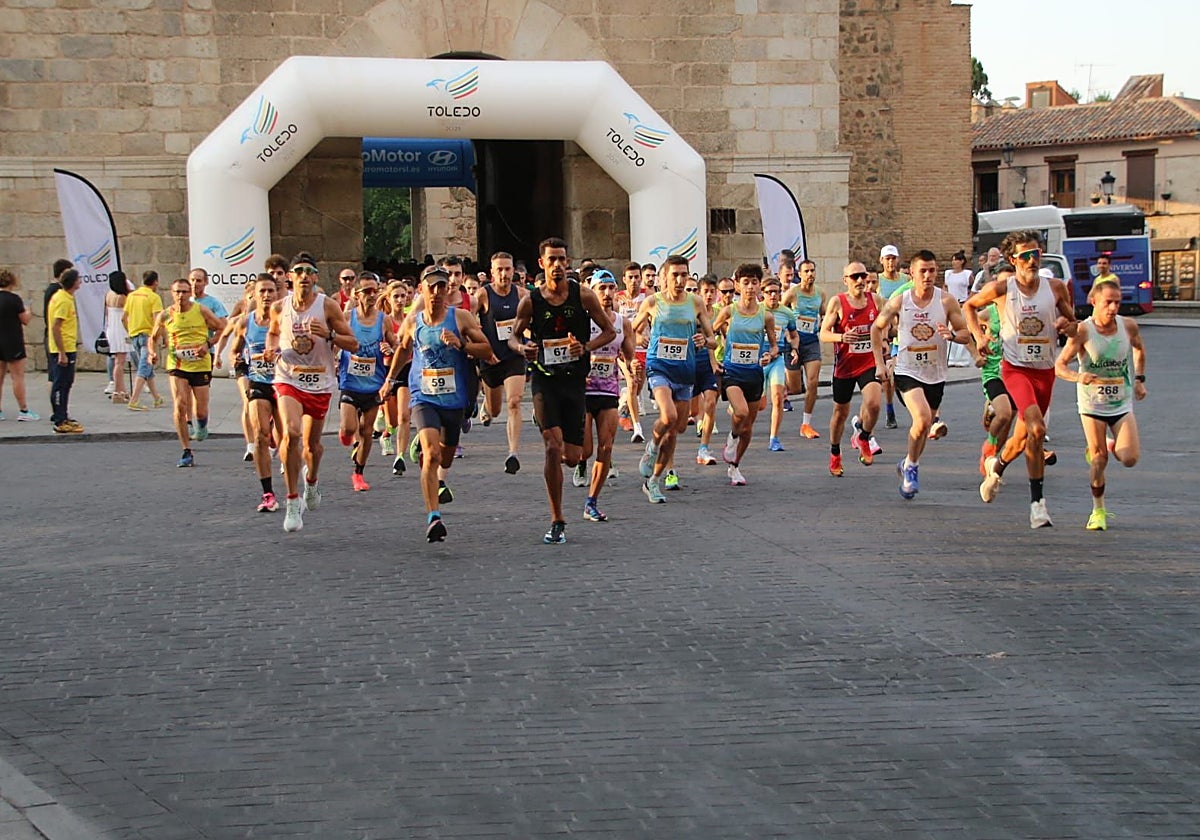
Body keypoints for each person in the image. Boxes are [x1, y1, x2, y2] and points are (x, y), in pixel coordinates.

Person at [965, 230, 1077, 528]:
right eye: (1025, 255)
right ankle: (1037, 504)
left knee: (1023, 436)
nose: (1031, 260)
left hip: (1045, 371)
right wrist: (978, 337)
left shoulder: (1055, 288)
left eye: (1036, 254)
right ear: (1012, 260)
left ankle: (996, 467)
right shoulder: (1002, 288)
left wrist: (1068, 325)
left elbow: (1074, 325)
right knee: (1037, 428)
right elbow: (969, 307)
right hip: (1015, 369)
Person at [507, 237, 615, 544]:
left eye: (562, 259)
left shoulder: (583, 296)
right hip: (544, 380)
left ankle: (570, 457)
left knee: (573, 455)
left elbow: (609, 331)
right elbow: (513, 338)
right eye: (551, 260)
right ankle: (557, 518)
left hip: (574, 382)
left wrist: (586, 347)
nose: (557, 265)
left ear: (568, 263)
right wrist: (522, 348)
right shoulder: (530, 301)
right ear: (541, 264)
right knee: (551, 447)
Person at [380, 265, 494, 542]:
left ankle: (426, 445)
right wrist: (390, 380)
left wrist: (462, 345)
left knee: (445, 456)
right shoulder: (413, 321)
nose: (436, 291)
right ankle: (434, 516)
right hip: (424, 396)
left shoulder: (461, 317)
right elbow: (404, 348)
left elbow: (487, 349)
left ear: (447, 290)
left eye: (441, 286)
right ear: (422, 289)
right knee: (430, 456)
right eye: (431, 286)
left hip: (454, 399)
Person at [265, 253, 358, 533]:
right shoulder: (280, 308)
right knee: (291, 433)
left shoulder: (327, 306)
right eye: (299, 271)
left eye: (309, 271)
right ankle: (292, 500)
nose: (304, 276)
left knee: (311, 446)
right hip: (288, 377)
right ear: (290, 277)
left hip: (319, 381)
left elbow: (352, 343)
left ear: (315, 277)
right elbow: (271, 333)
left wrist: (329, 336)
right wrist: (271, 349)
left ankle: (313, 481)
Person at [872, 250, 970, 499]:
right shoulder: (900, 301)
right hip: (906, 371)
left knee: (923, 426)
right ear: (912, 273)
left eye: (932, 271)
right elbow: (877, 328)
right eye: (922, 271)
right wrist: (880, 364)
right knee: (924, 418)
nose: (928, 276)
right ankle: (912, 469)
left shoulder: (947, 301)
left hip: (935, 374)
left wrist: (953, 336)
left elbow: (965, 333)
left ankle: (907, 462)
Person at [1054, 278, 1147, 531]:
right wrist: (1079, 376)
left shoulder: (1128, 326)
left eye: (1118, 302)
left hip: (1121, 401)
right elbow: (1060, 366)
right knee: (1098, 460)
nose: (1114, 308)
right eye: (1108, 302)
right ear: (1094, 302)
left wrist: (1139, 379)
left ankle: (1109, 442)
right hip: (1092, 403)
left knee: (1129, 458)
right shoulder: (1084, 330)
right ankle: (1098, 510)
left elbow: (1139, 350)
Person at [631, 255, 716, 502]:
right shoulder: (652, 302)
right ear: (664, 278)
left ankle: (654, 481)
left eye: (684, 275)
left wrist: (704, 341)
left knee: (676, 429)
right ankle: (651, 448)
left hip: (685, 372)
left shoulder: (696, 302)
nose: (680, 280)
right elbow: (632, 331)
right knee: (667, 417)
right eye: (675, 275)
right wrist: (638, 341)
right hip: (659, 368)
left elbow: (712, 338)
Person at [711, 263, 777, 486]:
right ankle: (731, 437)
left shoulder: (765, 315)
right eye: (745, 282)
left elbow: (775, 346)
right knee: (739, 411)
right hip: (733, 371)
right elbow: (710, 336)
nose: (750, 287)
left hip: (755, 374)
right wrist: (713, 360)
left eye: (754, 282)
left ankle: (735, 466)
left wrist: (769, 354)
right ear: (738, 285)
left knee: (748, 427)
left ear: (759, 286)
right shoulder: (728, 311)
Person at [148, 278, 226, 466]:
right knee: (180, 405)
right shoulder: (166, 315)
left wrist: (207, 345)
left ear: (190, 294)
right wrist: (152, 353)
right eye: (177, 292)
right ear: (172, 293)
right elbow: (153, 337)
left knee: (201, 409)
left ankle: (202, 424)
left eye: (184, 292)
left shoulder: (201, 310)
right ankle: (186, 450)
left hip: (200, 365)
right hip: (177, 364)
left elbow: (222, 328)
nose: (180, 295)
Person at [578, 268, 636, 521]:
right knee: (585, 451)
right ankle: (579, 463)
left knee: (607, 446)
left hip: (608, 390)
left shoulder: (622, 323)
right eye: (602, 288)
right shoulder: (583, 320)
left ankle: (592, 501)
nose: (607, 293)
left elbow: (629, 354)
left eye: (611, 288)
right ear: (592, 291)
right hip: (582, 391)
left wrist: (634, 366)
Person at [820, 261, 885, 476]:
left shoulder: (875, 300)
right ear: (845, 280)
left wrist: (884, 342)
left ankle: (864, 436)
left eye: (863, 276)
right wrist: (841, 337)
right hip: (845, 366)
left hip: (869, 362)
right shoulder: (837, 302)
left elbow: (886, 327)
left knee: (874, 404)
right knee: (840, 413)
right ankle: (835, 453)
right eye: (855, 276)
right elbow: (823, 333)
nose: (860, 280)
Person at [336, 270, 397, 492]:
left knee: (367, 430)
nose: (372, 295)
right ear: (356, 293)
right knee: (348, 427)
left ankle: (358, 473)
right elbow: (336, 340)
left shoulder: (384, 320)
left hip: (373, 383)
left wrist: (390, 348)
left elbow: (396, 345)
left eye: (375, 290)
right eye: (367, 291)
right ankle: (347, 436)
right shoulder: (347, 317)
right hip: (350, 381)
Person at [228, 274, 282, 512]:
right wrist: (237, 360)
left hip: (284, 383)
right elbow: (234, 350)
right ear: (255, 294)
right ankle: (267, 493)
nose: (267, 295)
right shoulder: (244, 323)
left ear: (277, 294)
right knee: (260, 434)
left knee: (288, 438)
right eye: (263, 291)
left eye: (271, 291)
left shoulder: (285, 320)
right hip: (258, 382)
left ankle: (298, 483)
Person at [475, 251, 529, 475]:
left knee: (515, 402)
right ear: (492, 273)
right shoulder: (483, 295)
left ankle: (513, 453)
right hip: (491, 358)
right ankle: (486, 406)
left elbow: (531, 323)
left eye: (508, 269)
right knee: (496, 409)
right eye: (500, 269)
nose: (504, 274)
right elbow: (469, 323)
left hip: (514, 356)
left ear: (513, 271)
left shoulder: (523, 294)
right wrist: (482, 349)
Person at [975, 263, 1017, 476]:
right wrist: (980, 338)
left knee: (1008, 421)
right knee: (1004, 413)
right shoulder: (989, 312)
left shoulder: (1023, 311)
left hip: (1017, 372)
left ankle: (995, 458)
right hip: (994, 371)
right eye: (1002, 282)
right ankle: (988, 449)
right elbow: (968, 318)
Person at [782, 259, 826, 439]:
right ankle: (782, 387)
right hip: (793, 342)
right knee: (795, 388)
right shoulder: (792, 293)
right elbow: (780, 312)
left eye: (812, 270)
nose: (810, 274)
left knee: (813, 382)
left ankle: (806, 424)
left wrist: (823, 324)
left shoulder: (820, 293)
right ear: (800, 274)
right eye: (806, 271)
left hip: (811, 342)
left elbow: (824, 313)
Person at [761, 275, 799, 452]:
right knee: (759, 404)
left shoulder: (787, 313)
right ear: (763, 294)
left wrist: (794, 349)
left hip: (776, 360)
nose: (773, 296)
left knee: (777, 397)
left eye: (776, 292)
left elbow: (794, 335)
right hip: (757, 361)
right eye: (769, 292)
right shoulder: (756, 310)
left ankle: (774, 438)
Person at [46, 268, 83, 433]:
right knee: (61, 384)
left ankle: (63, 415)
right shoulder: (63, 300)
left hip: (67, 346)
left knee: (67, 383)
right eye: (78, 279)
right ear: (73, 282)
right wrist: (61, 352)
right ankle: (59, 420)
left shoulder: (64, 297)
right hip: (63, 348)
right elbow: (55, 327)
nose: (80, 281)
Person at [692, 275, 723, 466]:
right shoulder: (691, 311)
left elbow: (713, 338)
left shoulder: (719, 312)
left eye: (713, 291)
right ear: (699, 293)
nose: (709, 295)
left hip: (707, 362)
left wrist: (715, 361)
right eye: (706, 291)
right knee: (687, 414)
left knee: (711, 402)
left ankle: (704, 448)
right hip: (687, 363)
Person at [0, 269, 38, 421]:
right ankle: (23, 410)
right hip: (13, 341)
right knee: (17, 377)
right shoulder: (14, 299)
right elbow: (25, 320)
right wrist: (28, 309)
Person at [615, 261, 647, 439]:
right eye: (631, 277)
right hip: (624, 348)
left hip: (643, 348)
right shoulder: (617, 298)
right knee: (632, 383)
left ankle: (625, 406)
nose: (634, 281)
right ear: (624, 279)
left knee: (637, 386)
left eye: (637, 277)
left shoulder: (648, 296)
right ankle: (637, 429)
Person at [124, 270, 164, 410]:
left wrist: (129, 331)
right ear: (155, 282)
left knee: (147, 368)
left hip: (134, 334)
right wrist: (159, 338)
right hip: (148, 336)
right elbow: (157, 321)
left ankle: (156, 398)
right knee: (144, 368)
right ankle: (134, 400)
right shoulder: (154, 297)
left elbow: (124, 317)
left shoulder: (132, 295)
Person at [876, 245, 905, 428]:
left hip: (904, 331)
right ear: (881, 261)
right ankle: (889, 409)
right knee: (888, 377)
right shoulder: (877, 281)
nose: (890, 262)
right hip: (886, 332)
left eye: (893, 258)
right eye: (887, 258)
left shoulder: (906, 280)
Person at [102, 271, 133, 402]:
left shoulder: (108, 294)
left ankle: (121, 389)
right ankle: (118, 391)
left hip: (111, 328)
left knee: (118, 361)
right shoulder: (123, 297)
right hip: (121, 329)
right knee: (120, 362)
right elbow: (127, 316)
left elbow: (107, 313)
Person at [944, 251, 974, 368]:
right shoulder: (948, 274)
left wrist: (967, 302)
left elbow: (973, 288)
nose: (953, 262)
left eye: (956, 260)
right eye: (952, 260)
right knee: (949, 330)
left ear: (962, 261)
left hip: (962, 304)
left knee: (961, 330)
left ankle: (962, 359)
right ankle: (950, 358)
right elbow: (945, 288)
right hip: (950, 304)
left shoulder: (967, 274)